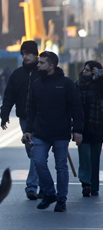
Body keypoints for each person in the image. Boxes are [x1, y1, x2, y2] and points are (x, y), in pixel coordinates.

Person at [24, 51, 84, 212]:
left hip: (60, 132)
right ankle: (50, 193)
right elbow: (31, 109)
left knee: (61, 167)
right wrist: (28, 130)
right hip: (40, 132)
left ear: (52, 65)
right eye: (38, 62)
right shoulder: (36, 84)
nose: (38, 65)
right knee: (38, 162)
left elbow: (77, 108)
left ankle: (61, 200)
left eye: (42, 63)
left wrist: (77, 130)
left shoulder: (66, 83)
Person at [0, 40, 41, 200]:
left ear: (35, 54)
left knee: (37, 150)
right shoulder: (17, 75)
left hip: (43, 118)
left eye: (28, 53)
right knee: (33, 152)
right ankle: (43, 183)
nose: (25, 57)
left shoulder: (43, 72)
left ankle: (32, 186)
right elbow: (9, 96)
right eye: (23, 54)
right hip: (25, 119)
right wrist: (4, 115)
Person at [76, 61, 103, 197]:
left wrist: (99, 76)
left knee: (95, 158)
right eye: (85, 69)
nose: (85, 72)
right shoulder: (78, 85)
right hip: (82, 127)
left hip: (98, 126)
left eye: (89, 70)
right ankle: (86, 183)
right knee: (85, 157)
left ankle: (94, 186)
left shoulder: (99, 85)